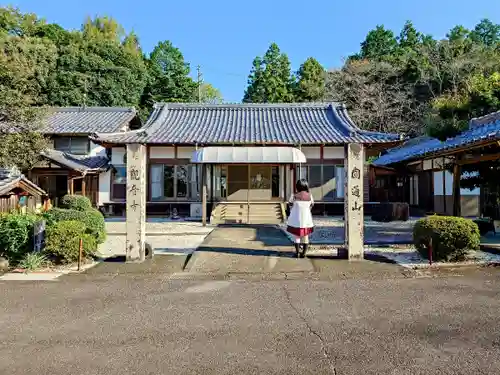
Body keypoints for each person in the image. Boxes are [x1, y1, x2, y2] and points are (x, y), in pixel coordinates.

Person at [287, 179, 314, 258]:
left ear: (297, 186)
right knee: (305, 236)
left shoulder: (294, 195)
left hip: (296, 219)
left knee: (297, 236)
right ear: (306, 185)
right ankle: (304, 253)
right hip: (306, 219)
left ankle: (297, 253)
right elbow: (312, 205)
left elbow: (290, 204)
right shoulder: (309, 196)